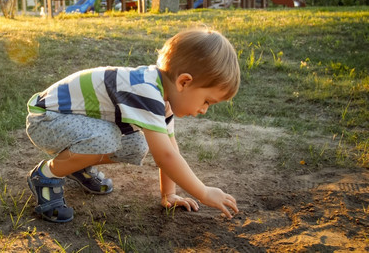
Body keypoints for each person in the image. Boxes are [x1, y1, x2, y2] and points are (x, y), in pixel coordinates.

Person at [25, 27, 240, 223]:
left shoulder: (163, 101)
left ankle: (75, 165)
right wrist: (203, 192)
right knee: (107, 138)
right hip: (46, 121)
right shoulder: (146, 90)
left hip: (69, 124)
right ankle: (47, 174)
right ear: (184, 82)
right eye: (207, 101)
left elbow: (171, 149)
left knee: (137, 145)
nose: (204, 109)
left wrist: (169, 194)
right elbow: (165, 156)